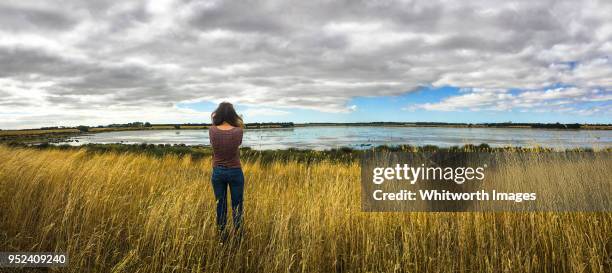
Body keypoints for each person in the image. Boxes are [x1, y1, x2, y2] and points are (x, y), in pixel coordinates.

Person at [208, 102, 244, 242]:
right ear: (232, 114)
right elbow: (238, 144)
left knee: (220, 205)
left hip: (218, 171)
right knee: (237, 205)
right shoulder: (238, 131)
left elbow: (213, 144)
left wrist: (214, 118)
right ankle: (238, 236)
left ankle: (222, 236)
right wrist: (239, 121)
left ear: (218, 114)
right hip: (235, 171)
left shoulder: (212, 130)